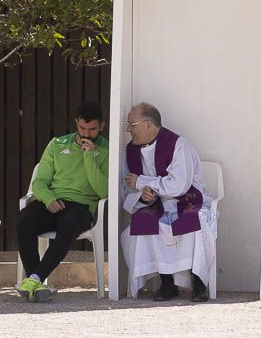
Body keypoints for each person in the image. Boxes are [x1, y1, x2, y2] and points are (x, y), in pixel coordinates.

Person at [119, 102, 217, 302]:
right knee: (141, 226)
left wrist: (143, 182)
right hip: (156, 205)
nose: (129, 129)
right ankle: (167, 284)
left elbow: (179, 185)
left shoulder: (178, 145)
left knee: (195, 225)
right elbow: (127, 185)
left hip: (187, 201)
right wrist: (142, 194)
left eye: (132, 124)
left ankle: (199, 284)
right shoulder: (131, 151)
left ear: (147, 125)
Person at [15, 101, 108, 302]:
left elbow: (103, 190)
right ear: (76, 123)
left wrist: (90, 156)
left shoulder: (107, 151)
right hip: (53, 202)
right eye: (82, 128)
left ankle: (34, 279)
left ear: (102, 126)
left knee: (69, 224)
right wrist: (48, 199)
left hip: (81, 207)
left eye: (92, 129)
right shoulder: (57, 144)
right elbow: (39, 182)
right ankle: (36, 281)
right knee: (25, 219)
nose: (86, 133)